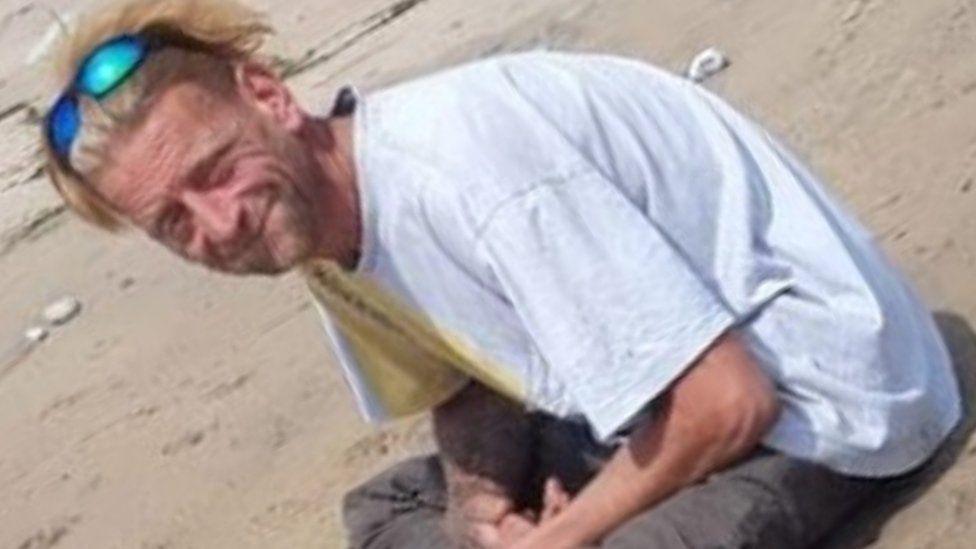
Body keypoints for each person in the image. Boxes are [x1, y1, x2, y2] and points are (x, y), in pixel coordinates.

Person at [39, 1, 962, 547]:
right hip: (653, 394)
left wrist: (569, 529)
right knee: (391, 508)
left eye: (213, 170)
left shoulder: (466, 174)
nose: (220, 223)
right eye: (173, 223)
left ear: (270, 96)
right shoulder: (320, 221)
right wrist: (486, 511)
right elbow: (464, 377)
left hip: (825, 395)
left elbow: (729, 401)